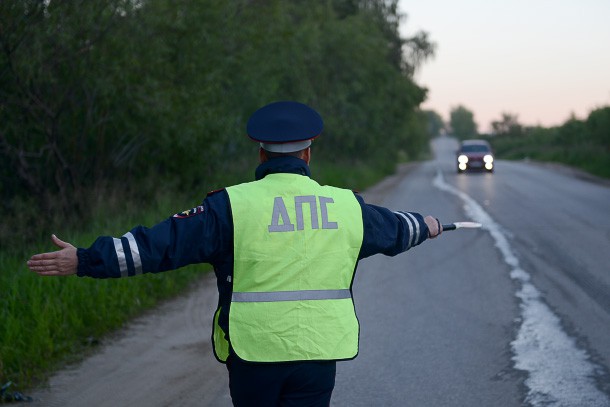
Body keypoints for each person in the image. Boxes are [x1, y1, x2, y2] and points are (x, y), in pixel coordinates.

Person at [27, 101, 443, 406]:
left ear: (261, 154)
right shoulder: (345, 206)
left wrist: (84, 259)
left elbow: (158, 247)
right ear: (308, 154)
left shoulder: (229, 207)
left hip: (254, 353)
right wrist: (428, 225)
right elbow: (396, 229)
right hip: (318, 354)